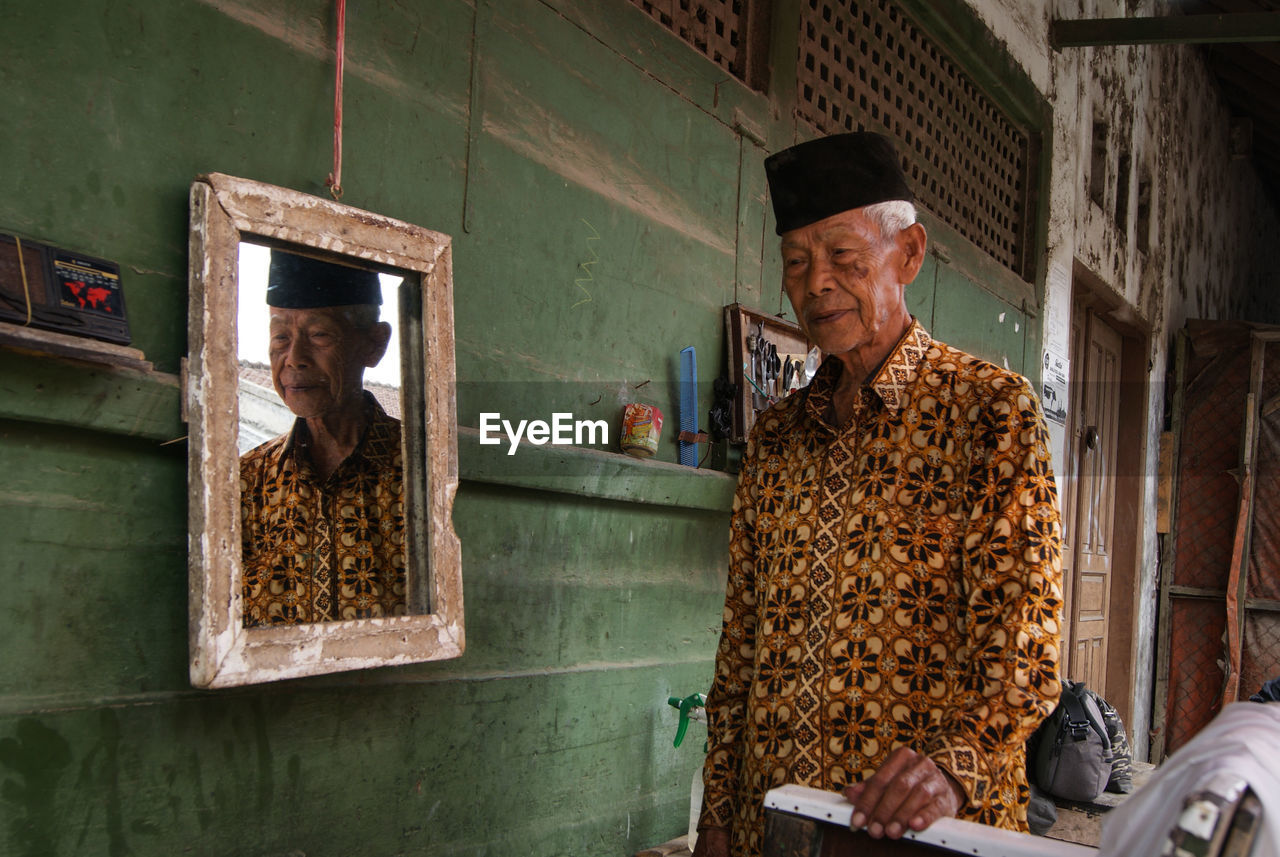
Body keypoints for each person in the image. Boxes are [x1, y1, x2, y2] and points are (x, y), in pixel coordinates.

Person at [695, 132, 1063, 857]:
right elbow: (738, 653)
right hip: (774, 828)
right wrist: (715, 815)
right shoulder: (775, 441)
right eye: (796, 263)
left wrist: (952, 767)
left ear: (910, 254)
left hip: (925, 836)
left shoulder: (988, 413)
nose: (816, 282)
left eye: (843, 257)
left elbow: (1029, 648)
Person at [239, 248, 407, 627]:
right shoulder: (245, 483)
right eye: (280, 337)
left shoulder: (421, 470)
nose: (294, 357)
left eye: (319, 334)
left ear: (374, 344)